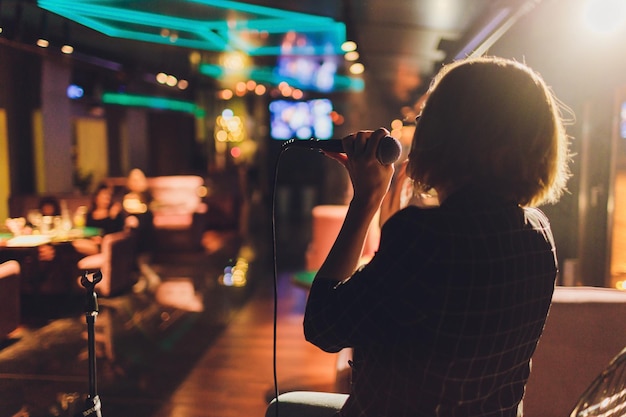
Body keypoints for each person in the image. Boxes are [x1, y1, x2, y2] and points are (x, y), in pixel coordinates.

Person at [269, 56, 572, 417]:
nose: (417, 126)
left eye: (428, 117)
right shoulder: (540, 235)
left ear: (457, 137)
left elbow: (323, 326)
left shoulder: (426, 236)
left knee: (281, 409)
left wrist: (366, 201)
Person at [73, 183, 125, 256]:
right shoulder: (90, 214)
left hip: (107, 246)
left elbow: (119, 233)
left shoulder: (114, 213)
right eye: (104, 196)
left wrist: (112, 217)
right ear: (96, 197)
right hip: (92, 243)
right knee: (75, 244)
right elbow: (87, 231)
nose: (106, 199)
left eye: (108, 196)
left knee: (77, 245)